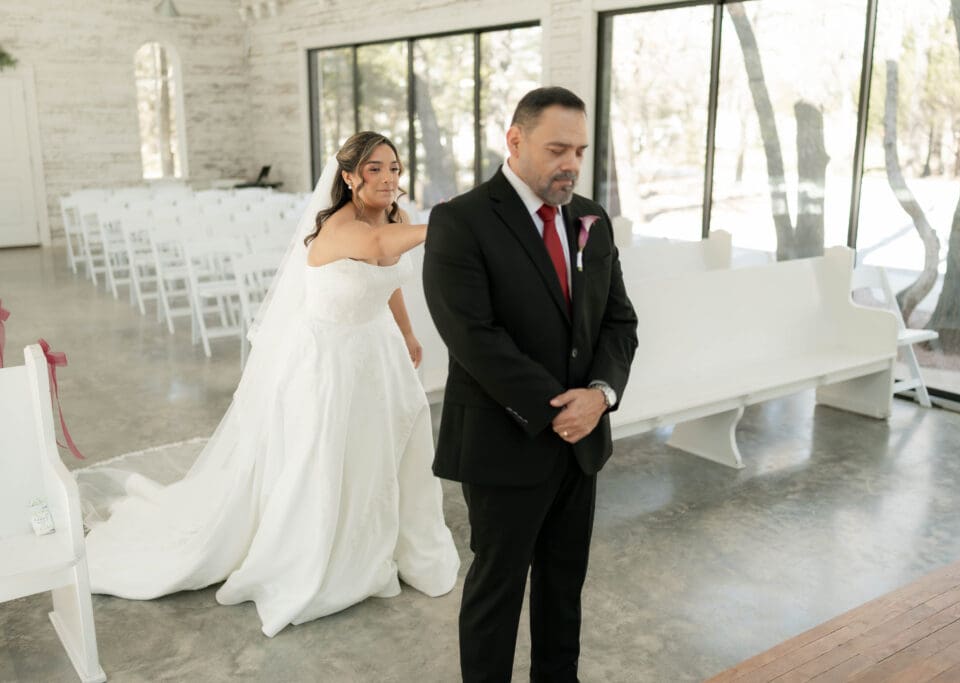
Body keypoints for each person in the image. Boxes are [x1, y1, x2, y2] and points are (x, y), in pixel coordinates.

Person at [83, 132, 460, 637]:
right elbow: (374, 248)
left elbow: (388, 275)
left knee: (386, 448)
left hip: (377, 351)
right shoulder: (340, 230)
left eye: (394, 167)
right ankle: (323, 552)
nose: (389, 178)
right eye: (374, 169)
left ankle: (390, 539)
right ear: (348, 176)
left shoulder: (395, 219)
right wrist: (455, 220)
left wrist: (410, 333)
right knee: (324, 456)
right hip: (328, 360)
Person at [423, 87, 639, 682]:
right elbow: (472, 336)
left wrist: (599, 396)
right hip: (504, 441)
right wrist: (556, 410)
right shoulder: (460, 220)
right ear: (515, 141)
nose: (571, 163)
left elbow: (619, 321)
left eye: (580, 150)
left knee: (563, 586)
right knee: (497, 591)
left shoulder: (591, 218)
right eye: (557, 149)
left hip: (582, 440)